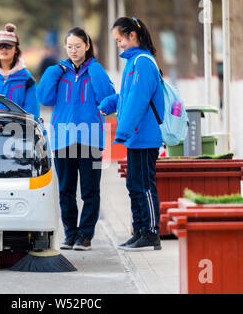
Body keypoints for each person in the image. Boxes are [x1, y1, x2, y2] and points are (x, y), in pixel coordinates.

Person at [36, 27, 115, 251]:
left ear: (87, 46)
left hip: (91, 139)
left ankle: (85, 235)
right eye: (69, 46)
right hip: (63, 139)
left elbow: (106, 99)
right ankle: (71, 234)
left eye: (78, 46)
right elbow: (44, 97)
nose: (73, 50)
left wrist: (96, 68)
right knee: (66, 190)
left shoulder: (95, 70)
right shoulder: (59, 72)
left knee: (90, 190)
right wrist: (54, 71)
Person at [98, 17, 164, 251]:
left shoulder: (143, 62)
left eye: (119, 40)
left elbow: (138, 100)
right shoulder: (133, 62)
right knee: (134, 184)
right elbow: (127, 96)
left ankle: (151, 233)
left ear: (132, 36)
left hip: (144, 136)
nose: (119, 45)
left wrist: (123, 131)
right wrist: (108, 104)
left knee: (144, 185)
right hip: (137, 136)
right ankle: (139, 231)